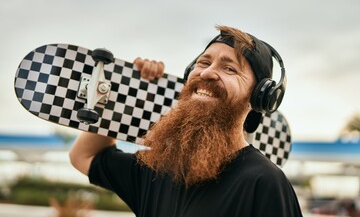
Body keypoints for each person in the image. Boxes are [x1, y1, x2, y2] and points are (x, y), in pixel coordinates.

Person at [69, 25, 303, 216]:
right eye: (203, 63)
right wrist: (129, 92)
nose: (207, 73)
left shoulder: (264, 182)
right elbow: (84, 156)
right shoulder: (158, 170)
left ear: (258, 96)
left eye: (229, 68)